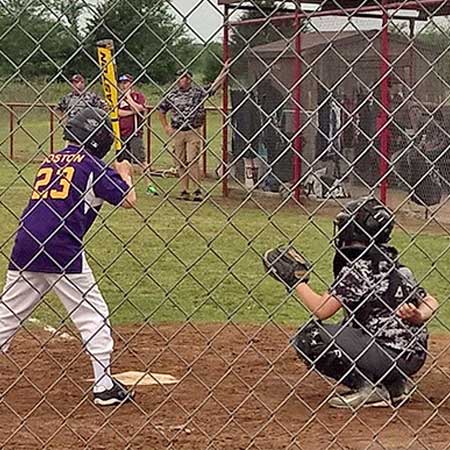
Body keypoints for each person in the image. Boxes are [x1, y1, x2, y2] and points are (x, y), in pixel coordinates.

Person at [0, 107, 136, 407]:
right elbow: (128, 201)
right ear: (98, 138)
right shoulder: (92, 166)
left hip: (25, 243)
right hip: (62, 248)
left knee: (6, 316)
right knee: (93, 314)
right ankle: (103, 386)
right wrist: (125, 174)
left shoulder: (50, 159)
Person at [263, 197, 439, 409]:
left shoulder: (358, 268)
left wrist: (296, 280)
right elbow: (430, 300)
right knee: (351, 322)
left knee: (310, 337)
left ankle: (369, 388)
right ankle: (395, 386)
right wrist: (419, 315)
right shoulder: (394, 264)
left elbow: (322, 309)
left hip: (387, 353)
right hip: (413, 355)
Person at [158, 65, 228, 201]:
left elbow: (214, 86)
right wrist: (166, 126)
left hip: (192, 130)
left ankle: (197, 190)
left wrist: (223, 72)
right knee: (180, 161)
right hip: (178, 131)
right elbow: (161, 110)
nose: (181, 80)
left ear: (189, 79)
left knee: (192, 160)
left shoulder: (197, 92)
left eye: (184, 78)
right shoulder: (172, 94)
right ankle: (184, 190)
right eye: (179, 78)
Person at [118, 74, 148, 172]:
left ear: (131, 84)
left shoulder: (138, 96)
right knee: (123, 161)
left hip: (134, 132)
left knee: (140, 159)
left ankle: (149, 183)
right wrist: (131, 112)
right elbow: (117, 112)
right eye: (121, 83)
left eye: (126, 83)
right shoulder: (118, 98)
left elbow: (139, 108)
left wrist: (128, 98)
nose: (123, 85)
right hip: (121, 133)